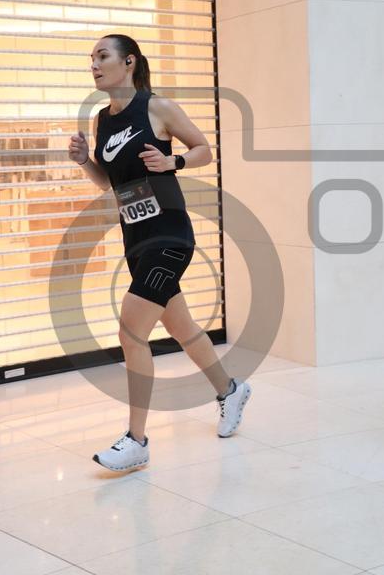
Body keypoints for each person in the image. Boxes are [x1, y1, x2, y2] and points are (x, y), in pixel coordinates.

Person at [68, 33, 252, 471]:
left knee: (131, 331)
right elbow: (109, 183)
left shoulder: (157, 107)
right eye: (91, 58)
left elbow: (204, 149)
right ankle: (230, 390)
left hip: (170, 238)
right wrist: (85, 161)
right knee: (182, 328)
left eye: (102, 56)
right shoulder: (102, 119)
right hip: (136, 239)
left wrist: (175, 162)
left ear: (129, 62)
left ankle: (137, 440)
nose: (94, 64)